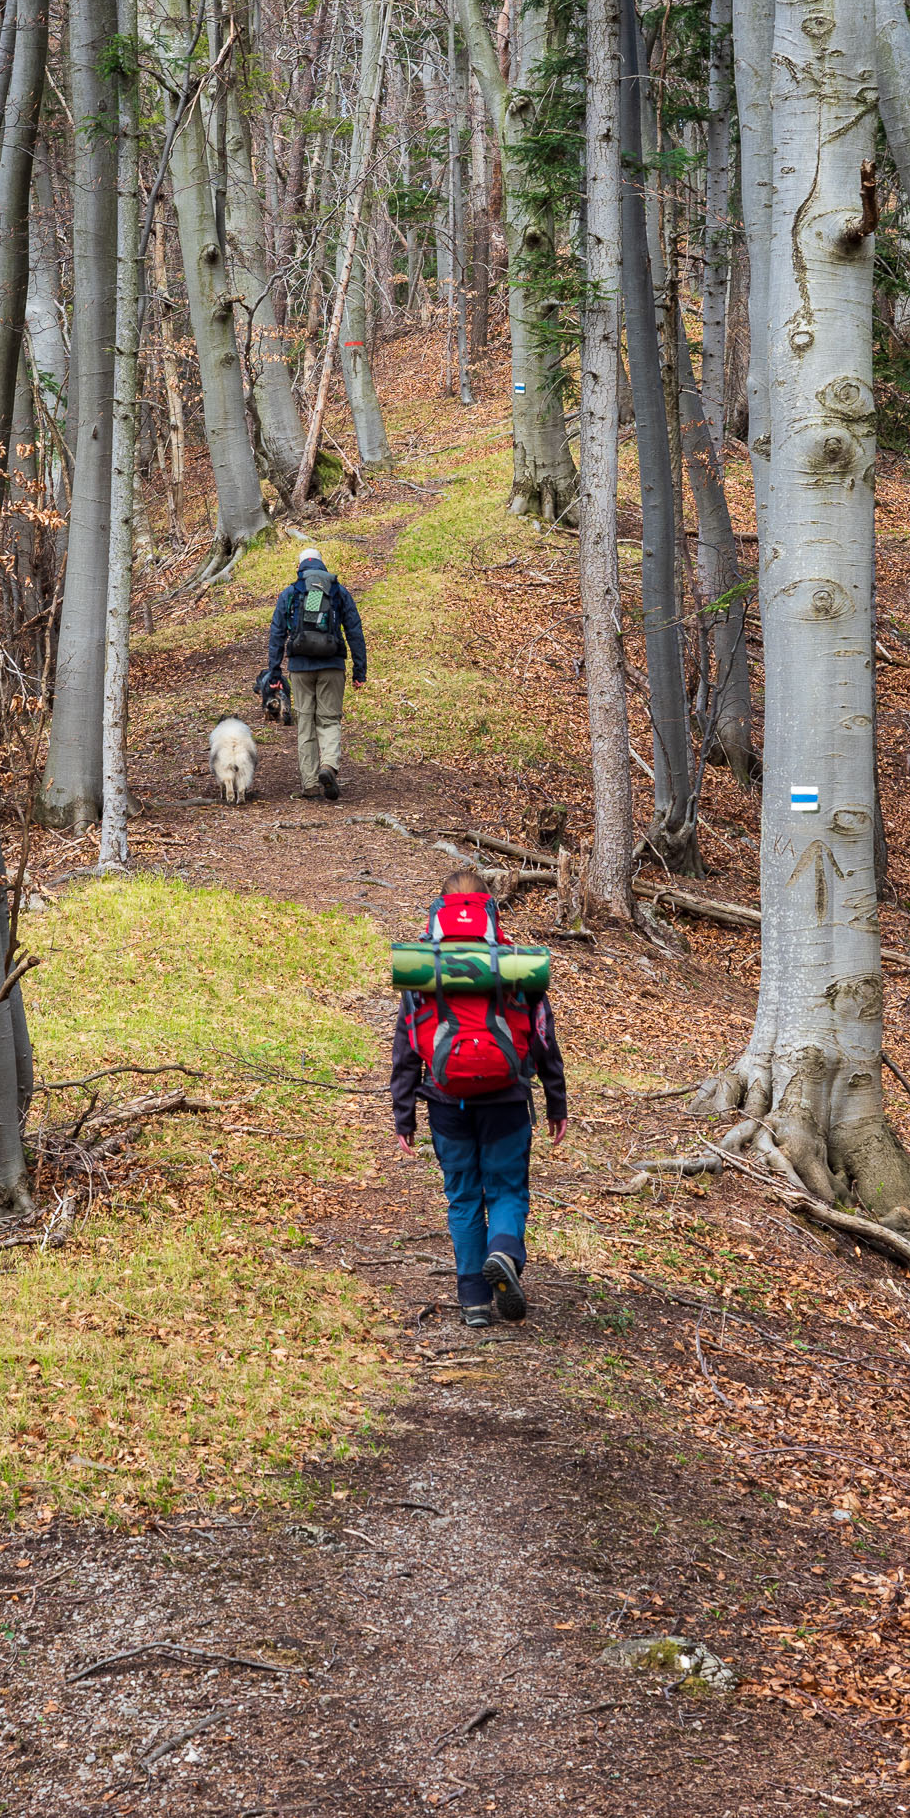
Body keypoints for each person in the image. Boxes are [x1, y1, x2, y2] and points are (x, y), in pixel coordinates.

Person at [390, 871, 568, 1328]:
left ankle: (473, 1300)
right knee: (507, 1188)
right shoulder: (513, 963)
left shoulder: (421, 967)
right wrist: (556, 1100)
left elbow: (408, 1046)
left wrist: (404, 1113)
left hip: (446, 1101)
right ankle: (504, 1252)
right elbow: (544, 1037)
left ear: (440, 908)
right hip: (507, 1098)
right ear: (489, 907)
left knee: (463, 1197)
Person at [266, 547, 366, 801]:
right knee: (329, 720)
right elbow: (354, 630)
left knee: (305, 724)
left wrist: (275, 671)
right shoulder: (338, 591)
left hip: (300, 668)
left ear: (299, 567)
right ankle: (328, 766)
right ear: (322, 565)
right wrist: (359, 670)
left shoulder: (291, 592)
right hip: (332, 665)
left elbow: (277, 633)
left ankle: (310, 784)